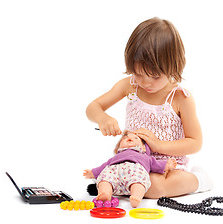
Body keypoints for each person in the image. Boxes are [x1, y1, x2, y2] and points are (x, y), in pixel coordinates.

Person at [86, 17, 213, 199]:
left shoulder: (180, 98)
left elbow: (195, 142)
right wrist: (102, 118)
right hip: (135, 163)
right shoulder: (129, 86)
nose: (145, 82)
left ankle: (198, 179)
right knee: (108, 179)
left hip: (168, 166)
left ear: (173, 67)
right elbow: (93, 107)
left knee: (154, 188)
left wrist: (159, 145)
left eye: (154, 76)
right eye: (138, 73)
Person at [83, 131, 177, 208]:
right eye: (124, 138)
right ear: (120, 146)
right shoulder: (116, 157)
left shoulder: (144, 157)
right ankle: (105, 193)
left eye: (136, 138)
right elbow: (104, 166)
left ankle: (136, 196)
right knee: (105, 179)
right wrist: (92, 173)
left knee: (139, 181)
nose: (129, 138)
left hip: (134, 171)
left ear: (143, 147)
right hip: (114, 172)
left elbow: (156, 164)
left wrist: (167, 165)